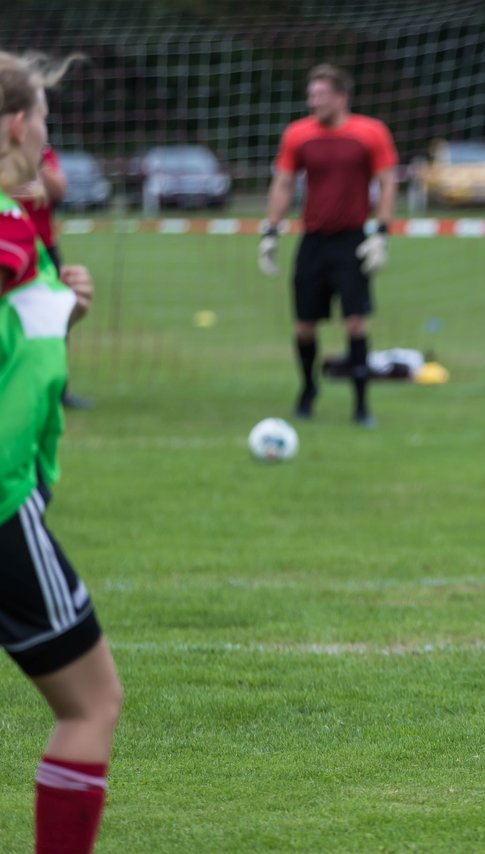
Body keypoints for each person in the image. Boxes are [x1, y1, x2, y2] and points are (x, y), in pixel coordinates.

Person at [1, 51, 123, 854]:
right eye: (44, 119)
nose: (49, 140)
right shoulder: (9, 235)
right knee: (92, 703)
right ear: (17, 126)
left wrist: (60, 315)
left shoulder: (26, 241)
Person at [258, 63, 398, 427]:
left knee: (355, 323)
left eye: (320, 94)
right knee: (304, 326)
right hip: (313, 242)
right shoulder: (298, 134)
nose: (313, 101)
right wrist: (270, 231)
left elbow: (387, 181)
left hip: (352, 241)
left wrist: (381, 233)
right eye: (311, 94)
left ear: (341, 97)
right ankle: (308, 389)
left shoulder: (370, 132)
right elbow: (284, 183)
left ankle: (362, 404)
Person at [15, 142, 93, 410]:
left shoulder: (41, 151)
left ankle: (58, 390)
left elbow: (58, 190)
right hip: (13, 251)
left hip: (45, 251)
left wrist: (37, 164)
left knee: (57, 319)